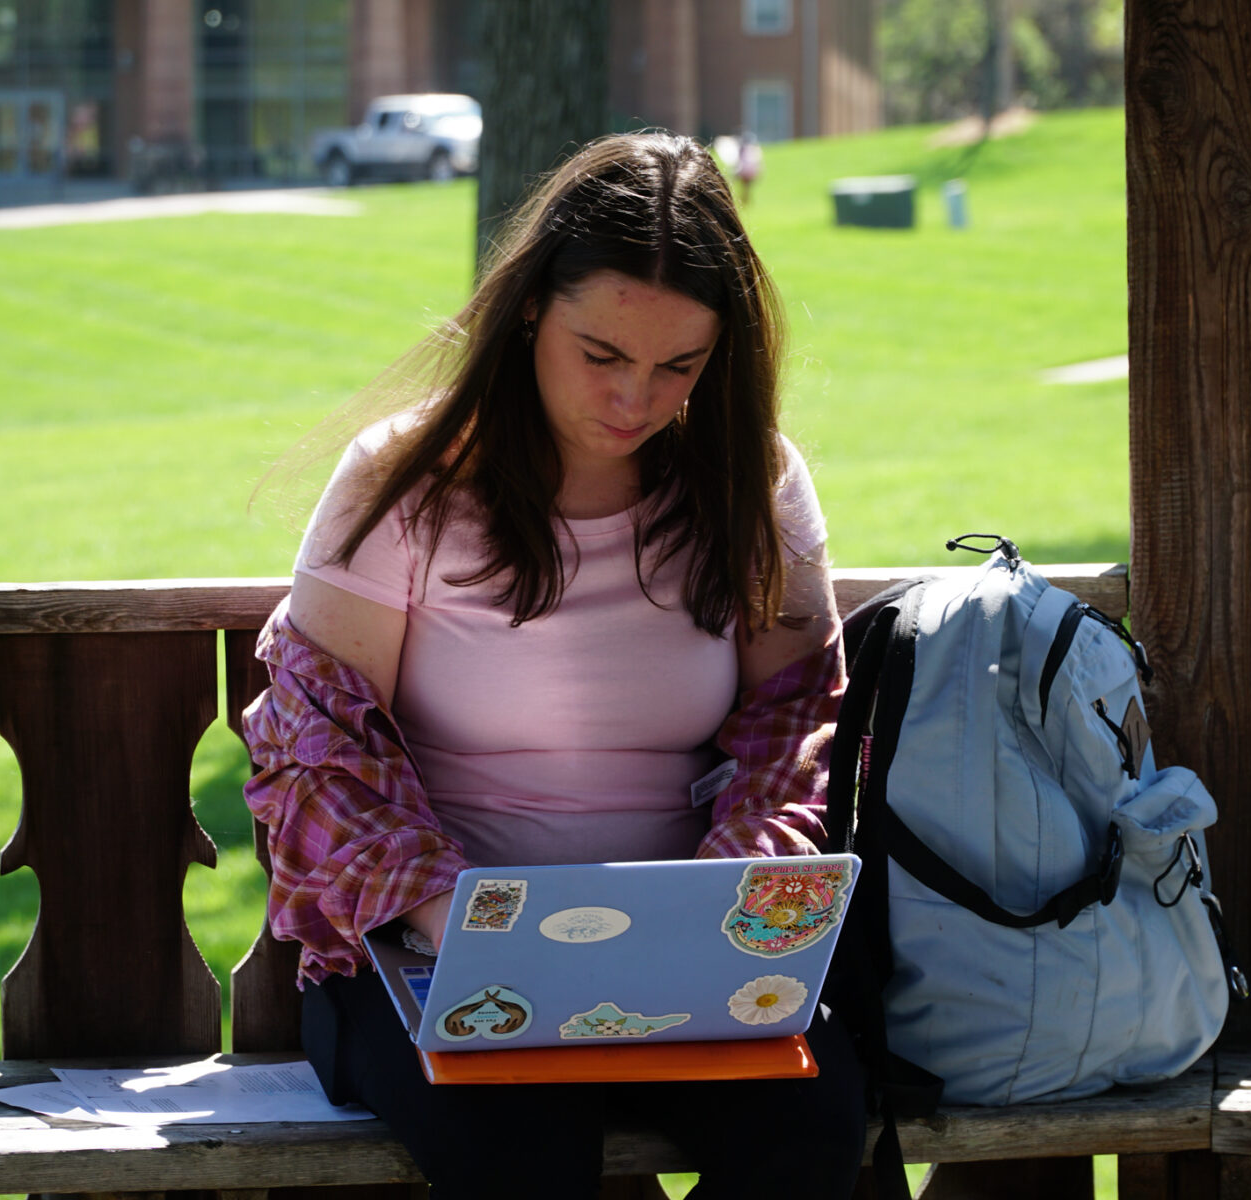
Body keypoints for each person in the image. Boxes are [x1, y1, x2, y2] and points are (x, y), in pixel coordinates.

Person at [241, 131, 867, 1199]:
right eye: (602, 355)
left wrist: (731, 899)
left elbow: (793, 721)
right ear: (531, 308)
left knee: (817, 1128)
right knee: (518, 1151)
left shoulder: (749, 480)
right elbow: (315, 757)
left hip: (689, 967)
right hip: (431, 955)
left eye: (680, 365)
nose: (635, 400)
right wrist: (463, 919)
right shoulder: (407, 479)